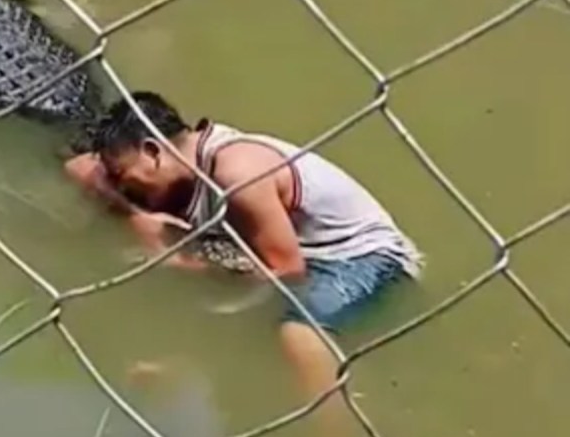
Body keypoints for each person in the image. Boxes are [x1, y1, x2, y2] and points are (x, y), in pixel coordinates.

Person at [64, 90, 424, 405]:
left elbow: (287, 271)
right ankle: (185, 365)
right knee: (195, 297)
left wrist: (182, 265)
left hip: (361, 257)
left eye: (120, 173)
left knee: (297, 332)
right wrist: (133, 214)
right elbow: (80, 167)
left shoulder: (238, 176)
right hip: (281, 251)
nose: (116, 183)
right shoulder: (178, 171)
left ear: (152, 151)